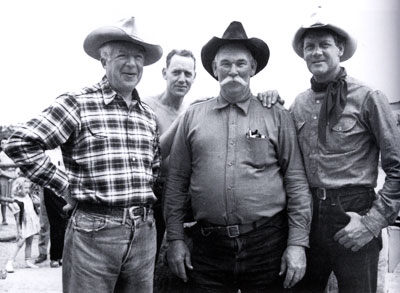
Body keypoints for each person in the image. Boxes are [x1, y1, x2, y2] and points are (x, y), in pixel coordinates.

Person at [4, 16, 162, 292]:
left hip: (144, 234)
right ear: (104, 60)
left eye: (138, 57)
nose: (132, 64)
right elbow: (21, 142)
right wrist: (65, 186)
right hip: (93, 233)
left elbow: (154, 168)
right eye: (122, 55)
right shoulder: (78, 102)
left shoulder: (147, 115)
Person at [164, 21, 312, 292]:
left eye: (241, 63)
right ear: (214, 69)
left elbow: (296, 182)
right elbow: (176, 182)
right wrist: (175, 239)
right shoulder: (193, 117)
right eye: (226, 64)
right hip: (208, 249)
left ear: (253, 68)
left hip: (267, 246)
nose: (233, 70)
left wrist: (297, 244)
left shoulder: (277, 115)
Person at [288, 15, 400, 293]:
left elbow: (398, 168)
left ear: (339, 49)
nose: (316, 52)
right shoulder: (298, 104)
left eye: (324, 44)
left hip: (354, 212)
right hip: (309, 216)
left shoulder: (368, 97)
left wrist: (371, 223)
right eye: (309, 46)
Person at [143, 49, 196, 260]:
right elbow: (153, 154)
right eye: (176, 72)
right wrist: (183, 120)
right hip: (153, 194)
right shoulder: (148, 107)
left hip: (182, 195)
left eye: (187, 74)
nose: (182, 79)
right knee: (149, 258)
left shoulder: (192, 110)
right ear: (165, 73)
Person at [5, 177, 40, 273]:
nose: (27, 190)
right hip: (23, 224)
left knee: (30, 242)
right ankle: (9, 262)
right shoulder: (16, 201)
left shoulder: (28, 196)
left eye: (28, 188)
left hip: (32, 222)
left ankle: (27, 261)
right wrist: (19, 230)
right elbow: (17, 219)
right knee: (20, 243)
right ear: (19, 188)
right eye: (25, 188)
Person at [0, 137, 18, 225]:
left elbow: (17, 166)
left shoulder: (12, 154)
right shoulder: (0, 155)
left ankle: (17, 219)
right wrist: (8, 175)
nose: (5, 144)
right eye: (3, 143)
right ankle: (4, 219)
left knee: (14, 198)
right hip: (3, 177)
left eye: (6, 142)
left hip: (13, 178)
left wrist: (14, 175)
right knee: (3, 199)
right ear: (1, 145)